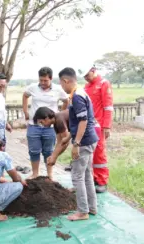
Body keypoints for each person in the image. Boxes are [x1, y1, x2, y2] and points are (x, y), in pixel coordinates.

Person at [58, 67, 99, 221]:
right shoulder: (80, 92)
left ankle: (83, 211)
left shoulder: (77, 97)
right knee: (87, 175)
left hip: (84, 142)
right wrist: (68, 137)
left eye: (62, 84)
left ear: (65, 80)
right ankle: (92, 208)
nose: (62, 87)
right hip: (90, 139)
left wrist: (76, 144)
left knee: (77, 176)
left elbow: (83, 120)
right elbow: (78, 121)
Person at [22, 67, 69, 179]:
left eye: (45, 81)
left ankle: (50, 174)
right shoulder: (32, 87)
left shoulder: (58, 89)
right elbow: (25, 95)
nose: (43, 83)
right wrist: (25, 111)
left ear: (51, 79)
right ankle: (35, 173)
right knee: (34, 150)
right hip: (34, 125)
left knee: (48, 151)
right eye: (41, 80)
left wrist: (60, 113)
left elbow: (66, 100)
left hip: (50, 127)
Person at [84, 66, 113, 193]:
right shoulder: (86, 87)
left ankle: (102, 181)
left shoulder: (103, 84)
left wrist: (107, 126)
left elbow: (108, 106)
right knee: (90, 153)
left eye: (87, 75)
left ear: (93, 70)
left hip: (100, 126)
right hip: (89, 125)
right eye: (84, 76)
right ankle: (93, 178)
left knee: (99, 152)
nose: (86, 78)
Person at [33, 107, 71, 180]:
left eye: (41, 122)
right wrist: (53, 156)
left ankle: (79, 189)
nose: (42, 125)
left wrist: (54, 157)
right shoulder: (55, 123)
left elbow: (66, 142)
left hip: (86, 134)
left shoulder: (59, 120)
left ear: (46, 118)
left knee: (78, 168)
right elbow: (60, 142)